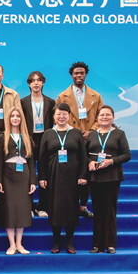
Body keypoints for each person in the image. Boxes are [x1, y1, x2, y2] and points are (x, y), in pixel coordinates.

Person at [56, 62, 104, 219]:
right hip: (70, 140)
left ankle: (83, 206)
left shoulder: (96, 96)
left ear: (86, 75)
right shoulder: (62, 96)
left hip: (89, 140)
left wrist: (91, 131)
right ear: (71, 75)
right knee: (70, 173)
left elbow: (101, 116)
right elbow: (57, 117)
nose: (79, 75)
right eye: (76, 73)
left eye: (82, 73)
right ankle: (69, 205)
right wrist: (72, 132)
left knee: (86, 173)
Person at [38, 103, 88, 254]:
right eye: (58, 114)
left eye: (64, 114)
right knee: (55, 209)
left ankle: (69, 242)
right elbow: (42, 158)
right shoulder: (48, 133)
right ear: (54, 116)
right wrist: (42, 177)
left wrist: (83, 175)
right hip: (53, 176)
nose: (61, 117)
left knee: (71, 208)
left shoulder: (76, 133)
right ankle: (56, 242)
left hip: (72, 176)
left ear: (69, 115)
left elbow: (83, 157)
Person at [86, 105, 131, 254]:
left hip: (112, 177)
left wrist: (111, 161)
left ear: (113, 117)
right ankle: (97, 244)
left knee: (110, 210)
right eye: (102, 115)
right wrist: (89, 162)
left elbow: (127, 155)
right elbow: (84, 155)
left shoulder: (119, 133)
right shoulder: (92, 134)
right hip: (95, 177)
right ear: (97, 118)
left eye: (108, 115)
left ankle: (110, 244)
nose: (104, 117)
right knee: (97, 210)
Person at [0, 106, 36, 255]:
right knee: (10, 209)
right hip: (8, 175)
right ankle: (11, 244)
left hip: (23, 176)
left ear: (21, 119)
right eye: (12, 116)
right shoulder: (2, 137)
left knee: (22, 209)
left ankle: (19, 244)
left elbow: (31, 161)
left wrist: (32, 181)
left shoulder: (27, 137)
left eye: (18, 116)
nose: (15, 118)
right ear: (9, 118)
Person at [20, 71, 55, 218]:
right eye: (33, 80)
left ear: (43, 83)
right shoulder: (22, 102)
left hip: (45, 140)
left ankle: (41, 206)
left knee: (44, 174)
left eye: (38, 80)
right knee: (27, 174)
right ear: (29, 84)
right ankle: (28, 206)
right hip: (29, 139)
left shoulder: (51, 102)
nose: (36, 83)